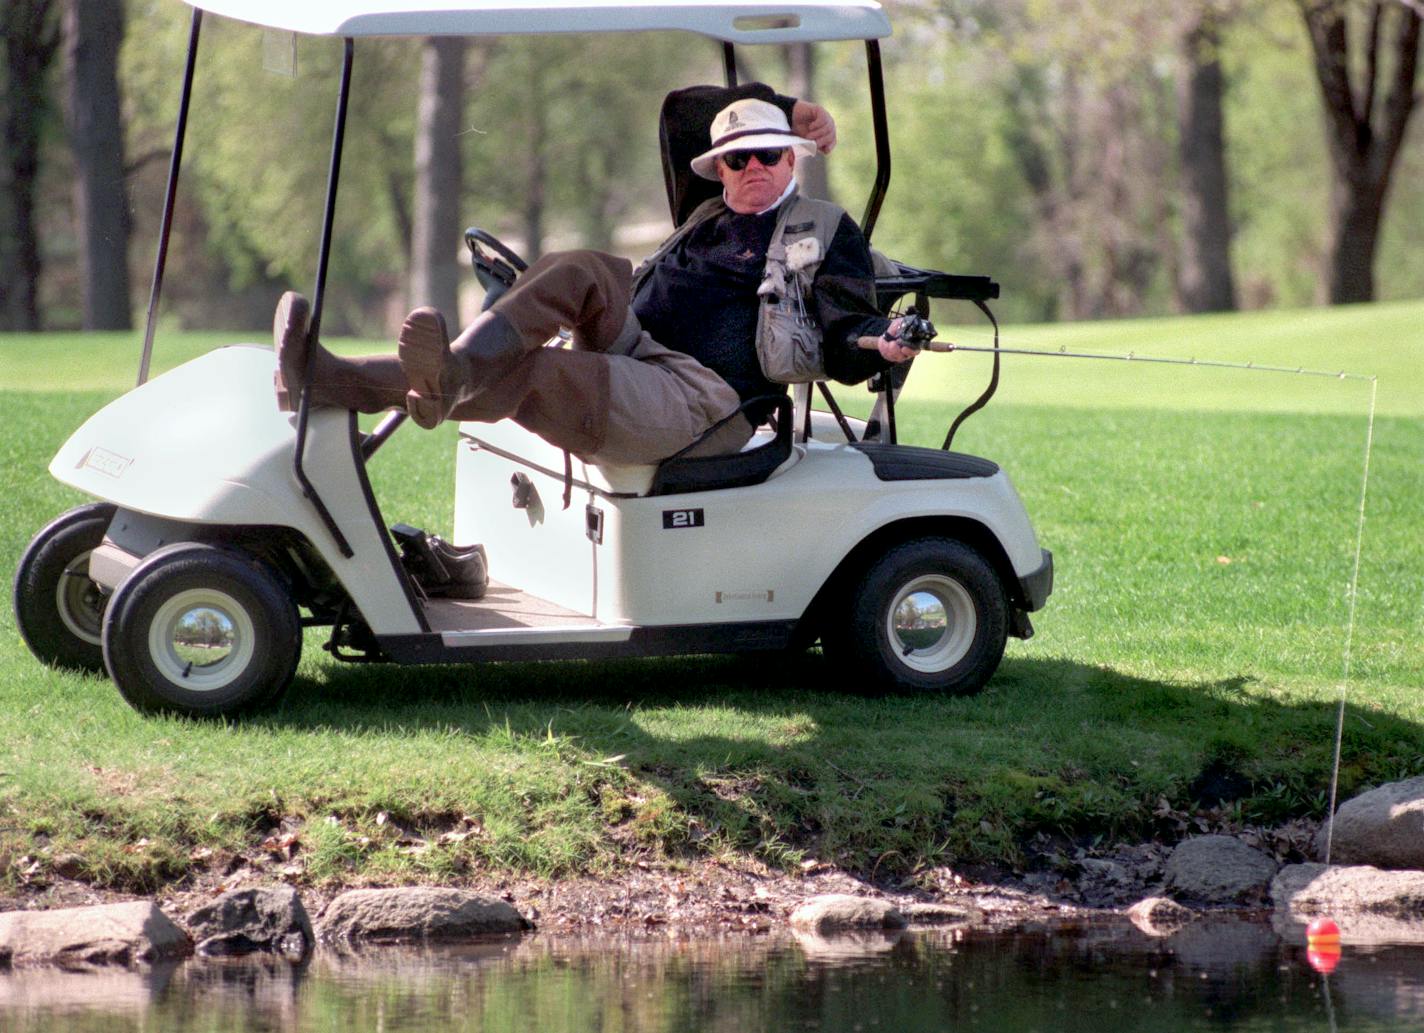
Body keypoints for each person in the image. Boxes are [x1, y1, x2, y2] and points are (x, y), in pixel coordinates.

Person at [274, 92, 917, 466]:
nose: (753, 167)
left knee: (532, 370)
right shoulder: (707, 206)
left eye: (770, 153)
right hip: (634, 342)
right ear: (719, 169)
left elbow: (843, 331)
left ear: (793, 159)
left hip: (704, 398)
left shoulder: (824, 228)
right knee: (582, 265)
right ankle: (450, 374)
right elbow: (682, 110)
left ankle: (337, 380)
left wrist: (881, 340)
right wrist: (787, 106)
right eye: (737, 157)